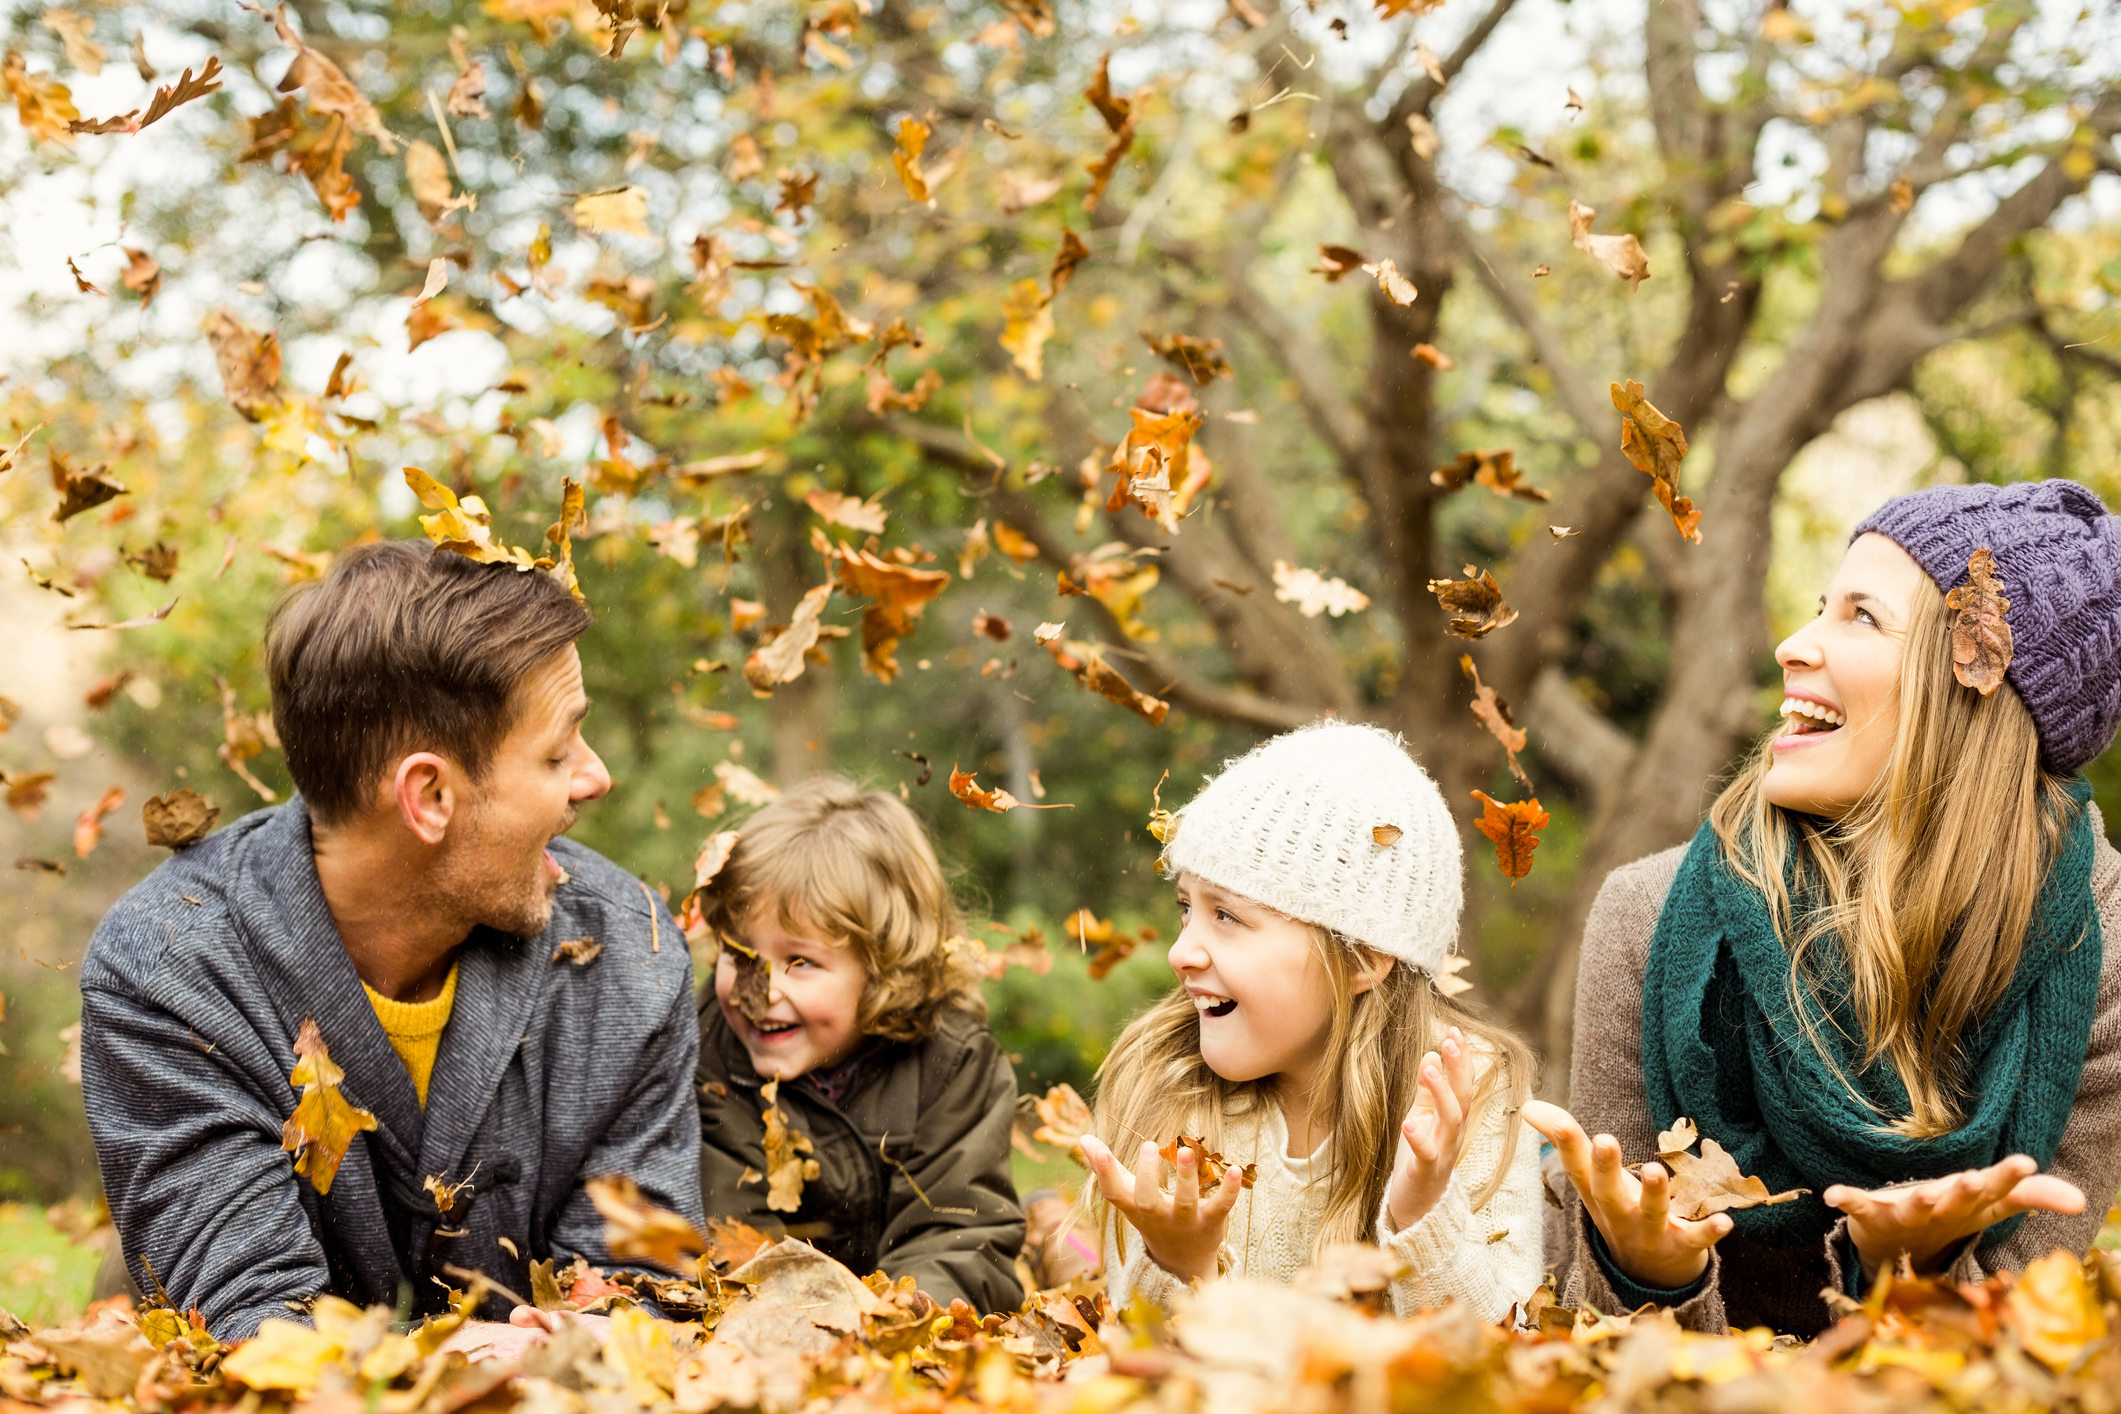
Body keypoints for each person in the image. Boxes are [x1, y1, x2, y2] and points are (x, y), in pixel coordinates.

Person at [1529, 480, 2121, 1337]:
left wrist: (1906, 1277)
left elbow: (2017, 1346)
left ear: (1977, 680)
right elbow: (1588, 1345)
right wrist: (1648, 1275)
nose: (1791, 645)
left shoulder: (2102, 952)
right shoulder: (1646, 915)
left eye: (1862, 617)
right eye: (1818, 608)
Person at [78, 542, 703, 1344]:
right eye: (556, 753)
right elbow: (250, 1329)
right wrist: (456, 1365)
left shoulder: (628, 955)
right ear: (429, 795)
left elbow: (645, 1288)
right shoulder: (169, 968)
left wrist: (583, 1346)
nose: (595, 777)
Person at [1077, 721, 1544, 1321]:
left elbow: (1506, 1356)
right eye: (1186, 908)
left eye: (1227, 917)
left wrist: (1424, 1209)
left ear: (1361, 960)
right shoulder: (1163, 1089)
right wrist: (1180, 1265)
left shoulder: (1470, 1097)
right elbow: (1130, 1361)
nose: (1181, 951)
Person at [694, 779, 1025, 1312]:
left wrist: (895, 1317)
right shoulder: (708, 1052)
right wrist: (803, 1321)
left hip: (892, 1315)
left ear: (883, 968)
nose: (761, 993)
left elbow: (958, 1235)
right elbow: (730, 1233)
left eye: (800, 962)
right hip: (779, 1318)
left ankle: (1056, 1229)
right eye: (739, 954)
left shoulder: (953, 1061)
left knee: (1044, 1236)